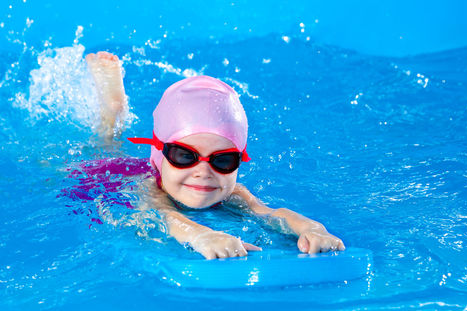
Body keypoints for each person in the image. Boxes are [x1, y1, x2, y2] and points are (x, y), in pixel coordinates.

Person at [85, 51, 345, 259]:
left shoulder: (233, 193)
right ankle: (113, 112)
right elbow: (168, 217)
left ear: (239, 161)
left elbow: (269, 212)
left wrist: (313, 229)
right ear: (160, 153)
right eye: (184, 156)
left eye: (222, 160)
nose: (203, 171)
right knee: (105, 147)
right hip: (107, 176)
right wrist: (202, 236)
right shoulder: (149, 188)